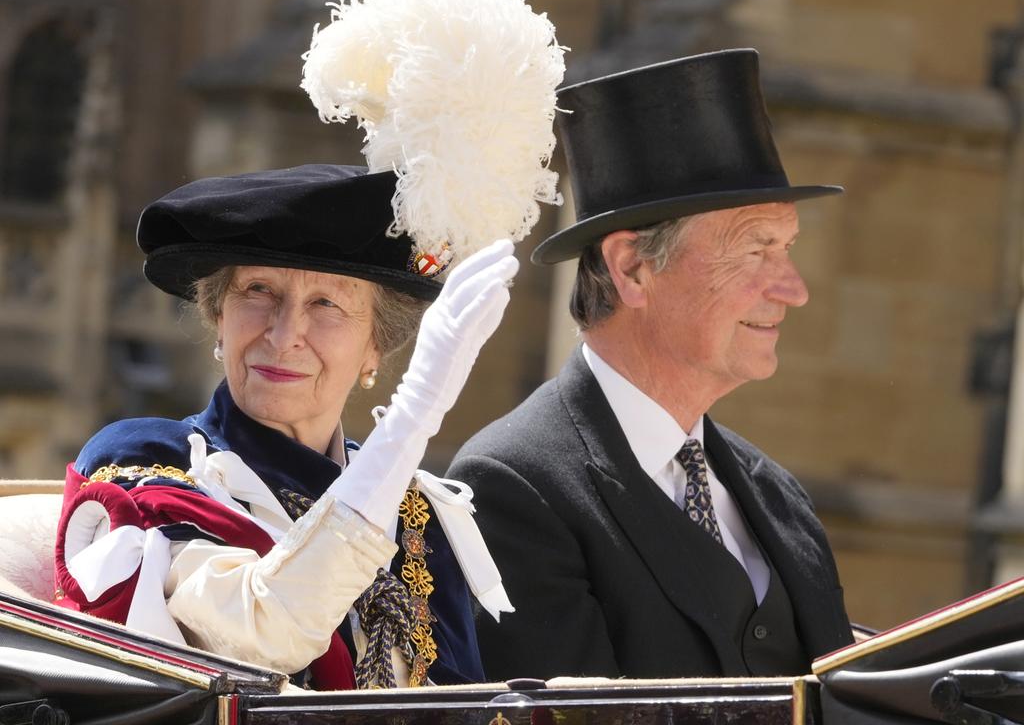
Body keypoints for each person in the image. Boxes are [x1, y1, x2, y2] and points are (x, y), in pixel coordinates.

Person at [448, 49, 855, 681]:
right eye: (756, 249)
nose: (793, 288)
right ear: (633, 269)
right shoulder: (512, 486)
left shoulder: (775, 493)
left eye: (787, 248)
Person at [53, 164, 518, 689]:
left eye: (326, 303)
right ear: (219, 318)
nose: (283, 333)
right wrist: (416, 413)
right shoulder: (148, 464)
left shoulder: (418, 515)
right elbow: (261, 635)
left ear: (375, 346)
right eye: (258, 291)